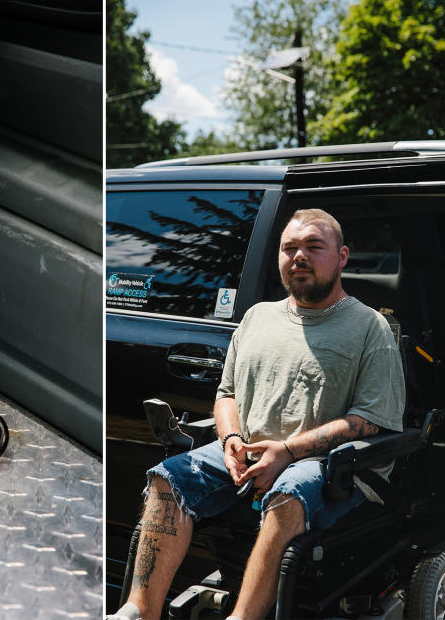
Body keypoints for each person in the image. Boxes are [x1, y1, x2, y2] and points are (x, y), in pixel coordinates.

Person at [109, 209, 405, 620]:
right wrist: (230, 440)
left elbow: (368, 420)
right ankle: (139, 611)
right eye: (289, 248)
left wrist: (286, 450)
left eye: (314, 247)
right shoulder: (256, 317)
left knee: (290, 489)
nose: (299, 256)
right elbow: (226, 394)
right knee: (168, 477)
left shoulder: (371, 327)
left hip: (326, 465)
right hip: (243, 453)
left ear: (342, 257)